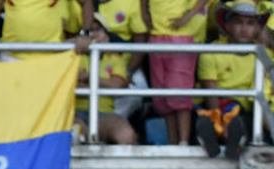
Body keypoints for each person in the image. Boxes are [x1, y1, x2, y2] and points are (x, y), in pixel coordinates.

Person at [195, 2, 266, 159]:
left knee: (245, 119)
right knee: (207, 117)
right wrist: (220, 120)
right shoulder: (211, 51)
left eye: (250, 24)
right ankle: (219, 135)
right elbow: (210, 91)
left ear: (257, 29)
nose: (244, 29)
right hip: (214, 104)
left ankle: (232, 137)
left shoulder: (262, 54)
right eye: (238, 22)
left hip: (243, 108)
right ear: (227, 26)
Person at [143, 0, 210, 145]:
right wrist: (144, 13)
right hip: (156, 36)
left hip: (182, 37)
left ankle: (184, 142)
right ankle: (172, 143)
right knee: (162, 96)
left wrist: (189, 16)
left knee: (180, 93)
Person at [75, 13, 138, 143]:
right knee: (77, 132)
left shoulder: (115, 57)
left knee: (127, 135)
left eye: (97, 29)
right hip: (76, 113)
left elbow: (118, 84)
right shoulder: (75, 57)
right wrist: (104, 82)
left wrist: (89, 78)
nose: (93, 34)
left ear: (107, 34)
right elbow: (73, 86)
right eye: (89, 31)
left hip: (104, 113)